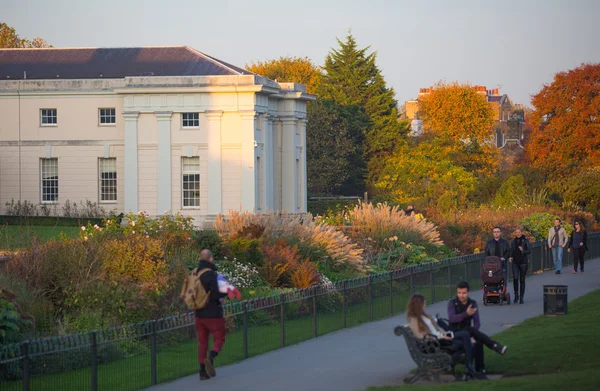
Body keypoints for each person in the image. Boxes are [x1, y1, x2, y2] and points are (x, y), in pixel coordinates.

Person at [406, 293, 479, 380]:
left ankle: (469, 367)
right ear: (418, 304)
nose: (425, 305)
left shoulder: (424, 316)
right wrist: (439, 337)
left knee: (466, 339)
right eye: (424, 303)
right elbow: (420, 336)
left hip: (441, 337)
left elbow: (436, 329)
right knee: (465, 335)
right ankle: (470, 367)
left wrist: (445, 334)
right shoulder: (413, 319)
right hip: (436, 342)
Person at [444, 282, 508, 379]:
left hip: (468, 333)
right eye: (459, 293)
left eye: (464, 293)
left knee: (478, 341)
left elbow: (477, 322)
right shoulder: (452, 303)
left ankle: (480, 369)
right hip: (455, 334)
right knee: (470, 330)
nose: (461, 295)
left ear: (468, 292)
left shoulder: (472, 303)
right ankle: (495, 346)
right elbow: (452, 318)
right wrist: (466, 314)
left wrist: (472, 336)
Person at [194, 249, 228, 380]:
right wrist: (224, 293)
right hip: (213, 313)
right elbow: (216, 294)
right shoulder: (211, 275)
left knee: (202, 342)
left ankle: (202, 371)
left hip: (198, 313)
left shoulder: (195, 273)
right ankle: (211, 357)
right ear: (211, 259)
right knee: (220, 337)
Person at [509, 227, 530, 304]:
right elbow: (511, 250)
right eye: (516, 232)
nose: (518, 233)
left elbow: (529, 250)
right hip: (515, 262)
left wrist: (523, 250)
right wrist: (510, 257)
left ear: (521, 233)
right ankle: (516, 296)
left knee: (522, 279)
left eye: (519, 232)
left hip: (523, 262)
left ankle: (521, 297)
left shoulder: (525, 240)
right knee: (515, 278)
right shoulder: (513, 241)